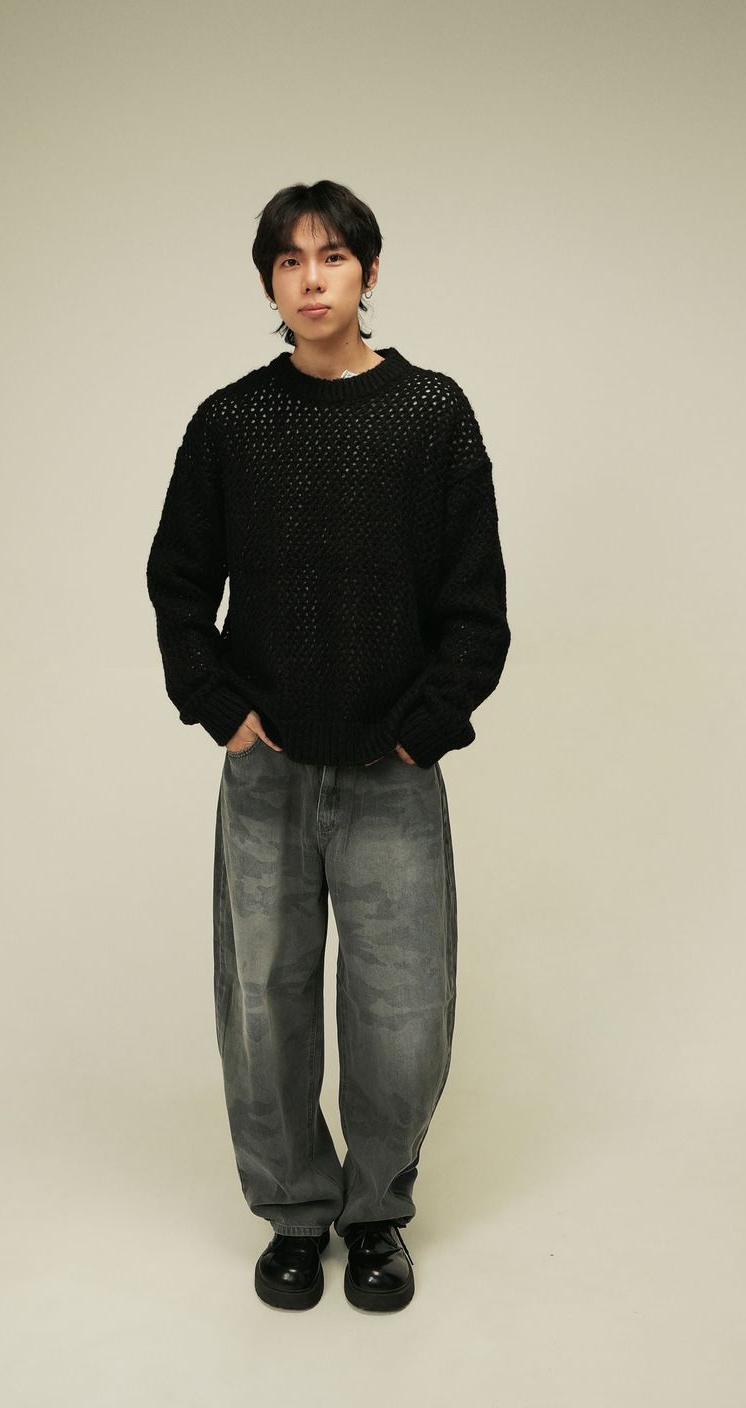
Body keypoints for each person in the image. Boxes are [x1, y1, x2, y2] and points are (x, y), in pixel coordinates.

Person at [146, 179, 510, 1313]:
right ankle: (296, 1216)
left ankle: (377, 1212)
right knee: (265, 1007)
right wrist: (221, 708)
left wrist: (424, 729)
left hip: (393, 773)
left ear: (370, 272)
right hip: (267, 773)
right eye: (291, 261)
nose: (313, 280)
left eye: (334, 257)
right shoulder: (232, 422)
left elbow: (476, 602)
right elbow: (177, 583)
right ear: (269, 281)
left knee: (402, 1016)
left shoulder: (431, 415)